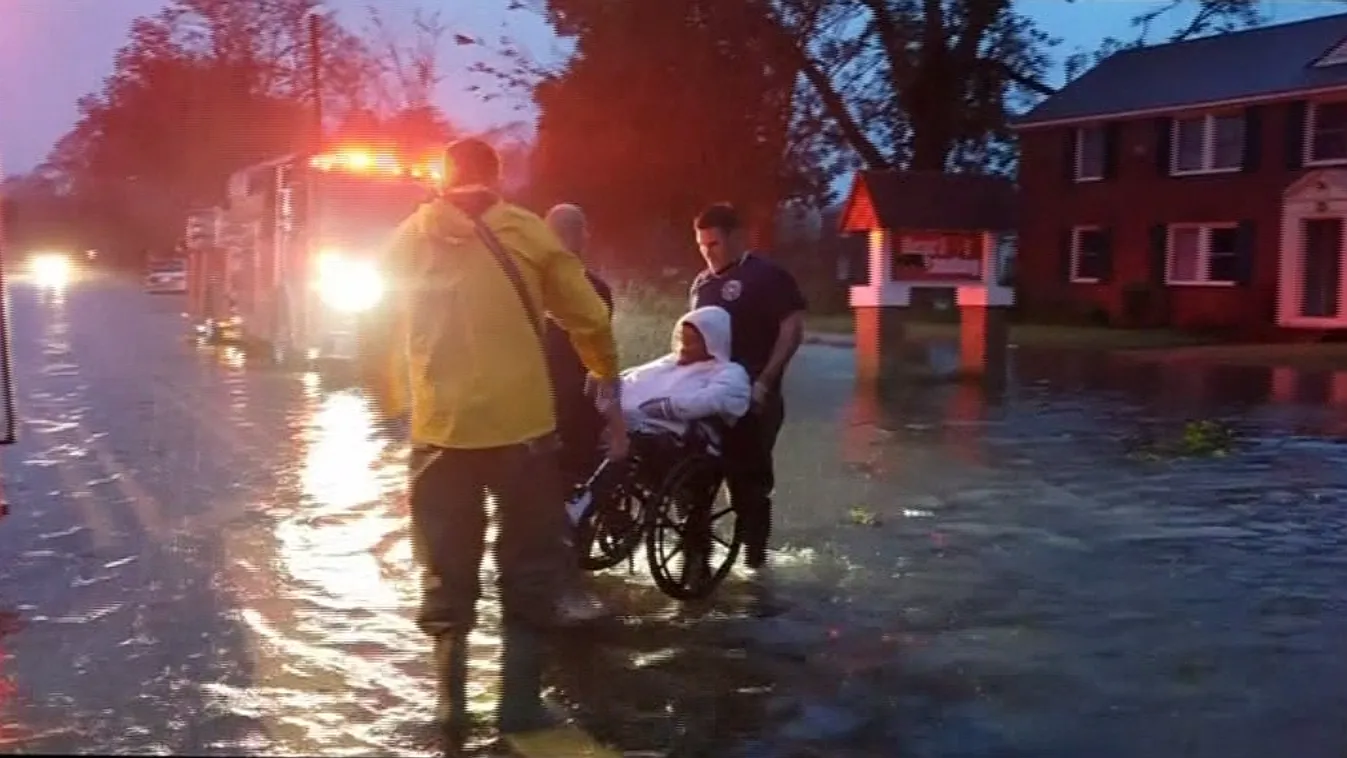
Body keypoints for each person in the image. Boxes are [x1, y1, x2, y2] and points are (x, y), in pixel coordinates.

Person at [360, 137, 628, 742]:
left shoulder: (408, 238)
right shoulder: (528, 233)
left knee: (445, 568)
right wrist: (604, 375)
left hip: (439, 435)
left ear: (444, 177)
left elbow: (373, 328)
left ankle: (451, 707)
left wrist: (394, 404)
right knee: (530, 563)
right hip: (524, 433)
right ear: (497, 178)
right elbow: (589, 315)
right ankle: (519, 707)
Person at [689, 202, 806, 570]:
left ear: (737, 238)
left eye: (715, 244)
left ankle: (755, 568)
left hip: (754, 398)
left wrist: (765, 382)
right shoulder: (701, 284)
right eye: (702, 245)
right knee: (695, 481)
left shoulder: (767, 276)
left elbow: (792, 329)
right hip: (710, 399)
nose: (708, 253)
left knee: (748, 485)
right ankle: (697, 562)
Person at [543, 203, 614, 490]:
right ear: (581, 235)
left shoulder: (529, 285)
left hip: (535, 405)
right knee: (583, 490)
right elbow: (601, 356)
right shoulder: (595, 289)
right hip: (580, 405)